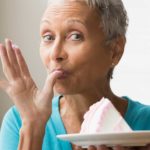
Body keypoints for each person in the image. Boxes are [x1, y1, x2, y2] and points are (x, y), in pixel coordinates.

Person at [0, 0, 150, 150]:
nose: (55, 54)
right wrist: (33, 127)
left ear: (115, 50)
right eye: (48, 37)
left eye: (75, 36)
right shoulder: (19, 122)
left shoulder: (146, 123)